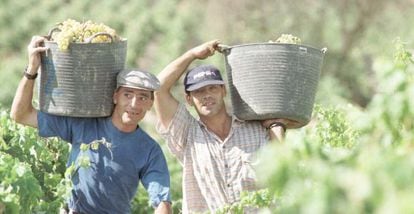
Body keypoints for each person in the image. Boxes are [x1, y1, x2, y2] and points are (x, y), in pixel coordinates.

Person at [10, 36, 172, 214]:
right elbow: (21, 114)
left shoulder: (149, 150)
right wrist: (32, 69)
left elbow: (162, 201)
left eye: (142, 97)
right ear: (115, 96)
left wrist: (163, 207)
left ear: (150, 104)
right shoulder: (84, 124)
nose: (134, 104)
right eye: (128, 94)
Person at [153, 40, 293, 213]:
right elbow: (158, 88)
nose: (207, 95)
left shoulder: (255, 128)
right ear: (189, 99)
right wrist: (192, 55)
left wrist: (277, 126)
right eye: (198, 91)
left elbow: (281, 168)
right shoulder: (186, 133)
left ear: (224, 91)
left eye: (212, 88)